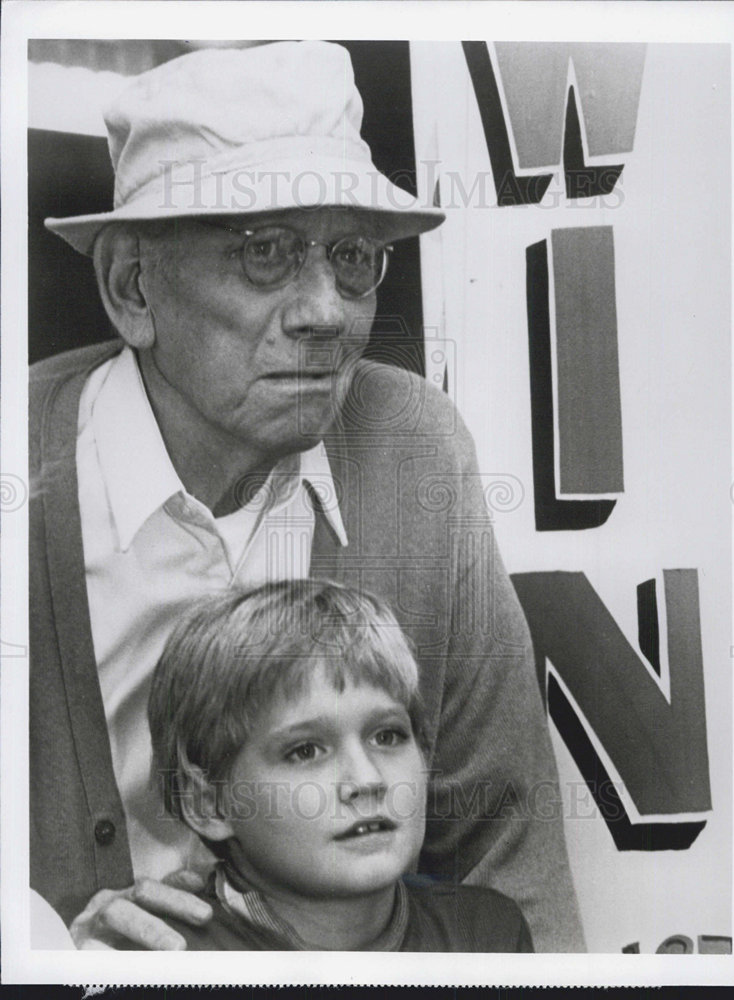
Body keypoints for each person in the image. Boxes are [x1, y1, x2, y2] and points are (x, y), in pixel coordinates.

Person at [30, 40, 584, 951]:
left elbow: (507, 850)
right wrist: (46, 954)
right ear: (132, 286)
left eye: (353, 256)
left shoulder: (414, 448)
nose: (327, 310)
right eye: (266, 253)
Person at [145, 579, 534, 952]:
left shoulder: (487, 932)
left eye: (387, 736)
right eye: (306, 751)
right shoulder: (163, 956)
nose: (366, 780)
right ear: (208, 804)